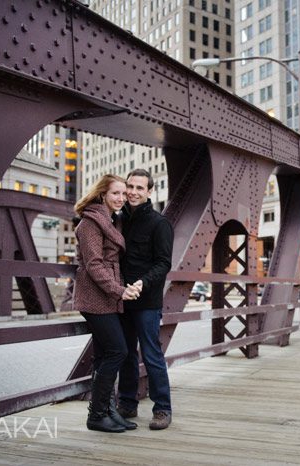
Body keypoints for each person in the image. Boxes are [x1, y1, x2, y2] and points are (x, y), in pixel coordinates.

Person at [73, 174, 142, 433]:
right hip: (95, 296)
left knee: (104, 355)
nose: (121, 198)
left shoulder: (112, 219)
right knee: (118, 351)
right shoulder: (91, 222)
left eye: (124, 194)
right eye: (116, 193)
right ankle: (97, 414)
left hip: (108, 296)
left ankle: (108, 411)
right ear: (102, 194)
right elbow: (93, 264)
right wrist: (119, 290)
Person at [117, 169, 174, 430]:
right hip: (121, 299)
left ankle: (162, 409)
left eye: (140, 188)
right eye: (130, 186)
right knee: (126, 354)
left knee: (151, 354)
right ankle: (127, 404)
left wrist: (143, 282)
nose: (133, 192)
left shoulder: (159, 223)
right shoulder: (117, 220)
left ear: (149, 191)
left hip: (147, 301)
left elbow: (163, 263)